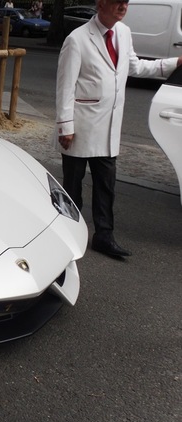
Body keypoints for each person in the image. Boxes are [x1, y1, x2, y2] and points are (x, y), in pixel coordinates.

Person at [55, 0, 182, 258]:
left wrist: (174, 62)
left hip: (108, 128)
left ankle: (104, 236)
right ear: (101, 4)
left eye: (125, 2)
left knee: (106, 186)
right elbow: (65, 87)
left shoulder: (123, 32)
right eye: (117, 2)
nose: (123, 7)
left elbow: (134, 66)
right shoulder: (77, 39)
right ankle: (68, 234)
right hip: (80, 128)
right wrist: (64, 127)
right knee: (73, 187)